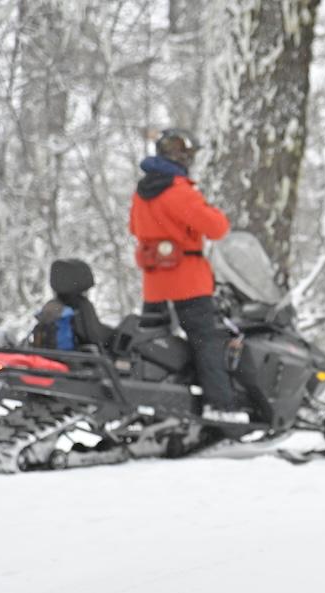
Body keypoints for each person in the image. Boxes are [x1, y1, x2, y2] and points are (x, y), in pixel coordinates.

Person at [128, 127, 247, 424]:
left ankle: (153, 403)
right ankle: (219, 406)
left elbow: (134, 228)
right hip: (188, 282)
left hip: (155, 284)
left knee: (154, 346)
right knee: (207, 342)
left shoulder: (142, 193)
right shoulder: (179, 191)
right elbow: (217, 228)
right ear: (182, 157)